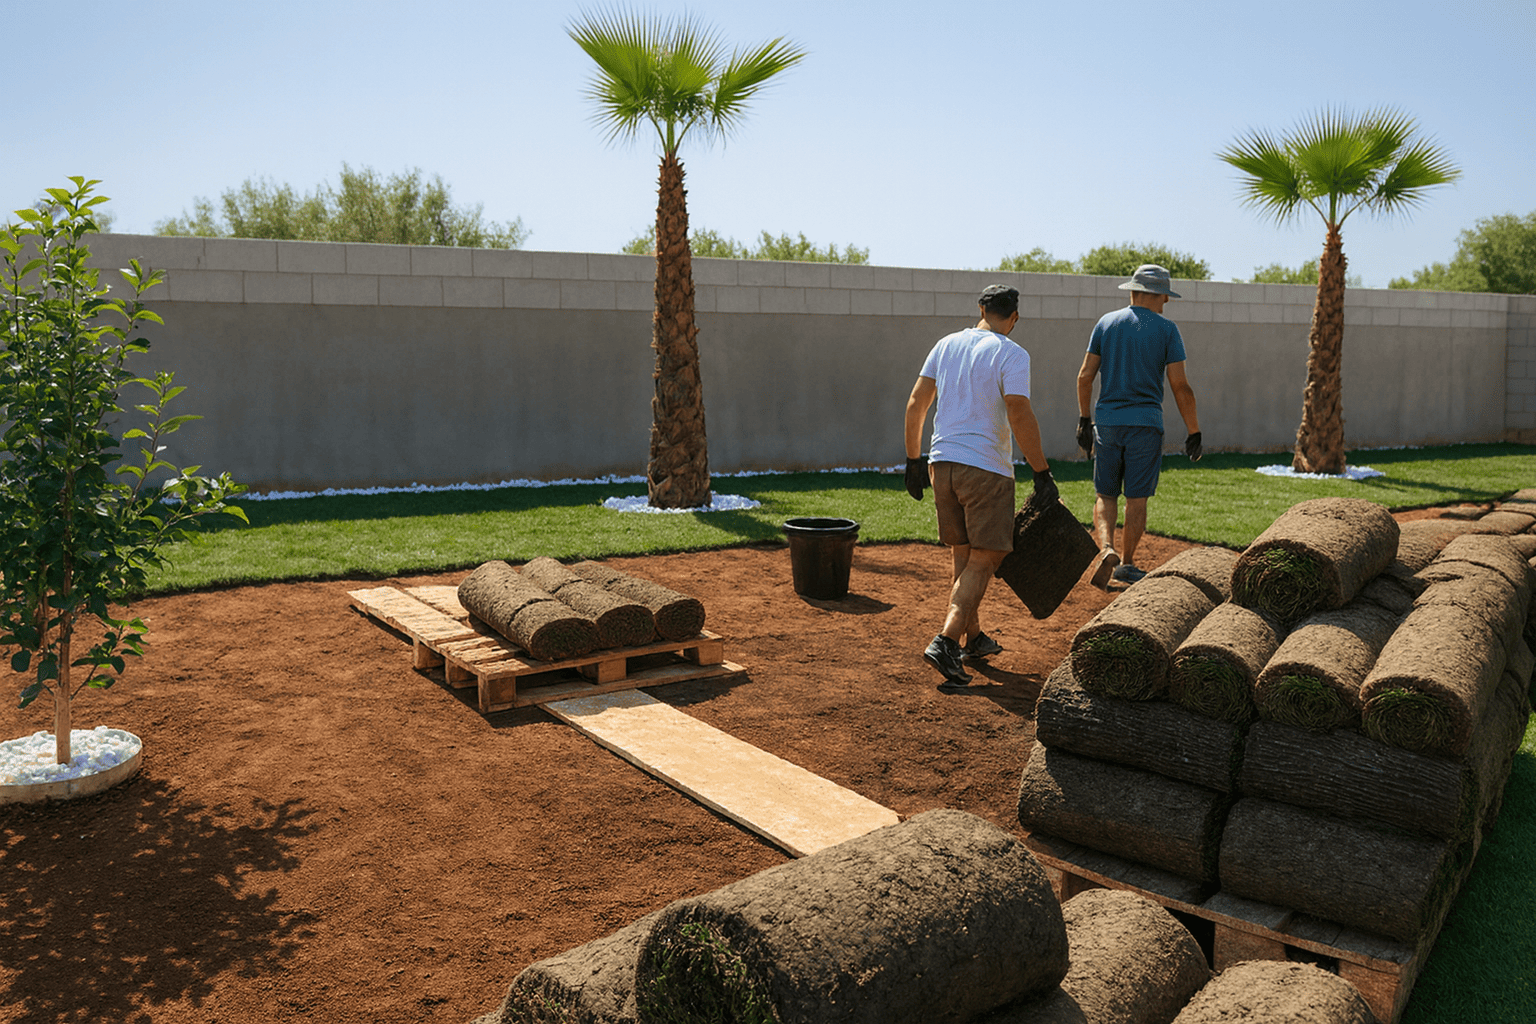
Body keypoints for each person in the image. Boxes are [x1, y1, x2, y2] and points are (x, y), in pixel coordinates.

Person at [904, 283, 1056, 690]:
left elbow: (918, 401)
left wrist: (913, 460)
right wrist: (1041, 471)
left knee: (963, 554)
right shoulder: (1012, 353)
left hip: (942, 464)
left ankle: (974, 639)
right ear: (1014, 318)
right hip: (985, 469)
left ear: (980, 308)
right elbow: (1019, 411)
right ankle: (946, 641)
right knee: (985, 559)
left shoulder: (946, 344)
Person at [1076, 264, 1202, 584]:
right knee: (1137, 498)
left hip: (1106, 423)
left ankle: (1106, 548)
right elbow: (1180, 386)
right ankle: (1127, 563)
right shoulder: (1167, 330)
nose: (1167, 303)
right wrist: (1194, 431)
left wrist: (1084, 420)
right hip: (1146, 423)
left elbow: (1085, 376)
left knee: (1105, 495)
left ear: (1132, 291)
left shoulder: (1106, 324)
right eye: (1165, 297)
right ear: (1157, 295)